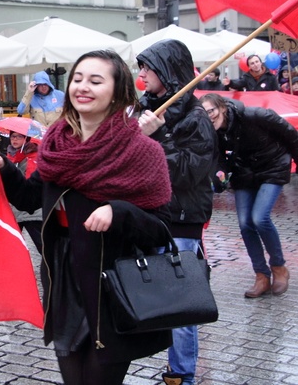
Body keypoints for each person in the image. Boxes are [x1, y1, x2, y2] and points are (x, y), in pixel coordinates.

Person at [0, 49, 174, 385]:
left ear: (120, 92)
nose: (82, 87)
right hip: (64, 279)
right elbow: (30, 199)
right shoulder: (56, 146)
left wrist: (119, 211)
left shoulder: (142, 151)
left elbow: (160, 232)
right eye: (78, 79)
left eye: (96, 81)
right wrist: (4, 170)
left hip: (113, 286)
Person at [137, 39, 218, 385]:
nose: (141, 74)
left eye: (147, 68)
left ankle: (181, 374)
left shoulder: (196, 118)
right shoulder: (146, 107)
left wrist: (160, 135)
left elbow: (187, 172)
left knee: (182, 305)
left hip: (184, 220)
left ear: (167, 72)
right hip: (154, 215)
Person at [200, 93, 297, 298]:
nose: (209, 116)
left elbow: (289, 133)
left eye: (211, 111)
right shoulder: (214, 132)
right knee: (245, 223)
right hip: (245, 174)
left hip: (272, 166)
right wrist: (219, 176)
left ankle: (279, 267)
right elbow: (219, 159)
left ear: (223, 108)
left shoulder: (254, 115)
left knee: (259, 218)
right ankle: (261, 274)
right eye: (204, 113)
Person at [6, 131, 42, 253]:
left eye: (19, 137)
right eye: (12, 137)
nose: (14, 139)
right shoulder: (10, 157)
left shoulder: (33, 157)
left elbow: (30, 184)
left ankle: (51, 270)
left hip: (33, 211)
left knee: (43, 246)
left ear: (26, 139)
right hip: (15, 209)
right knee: (10, 245)